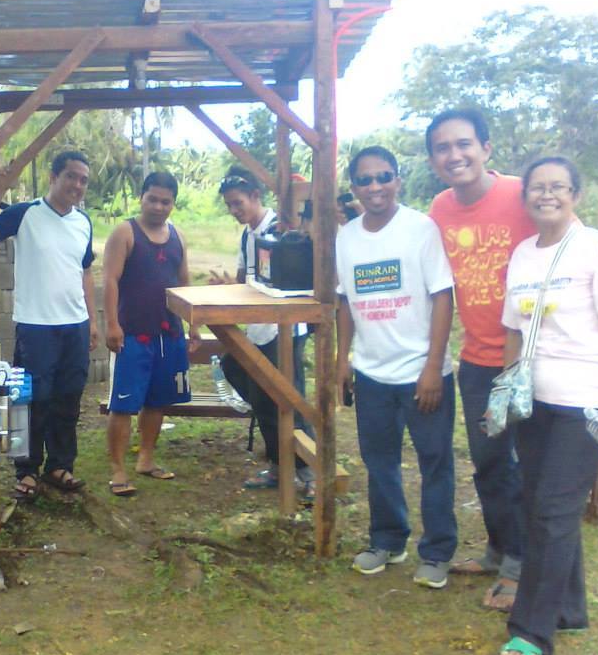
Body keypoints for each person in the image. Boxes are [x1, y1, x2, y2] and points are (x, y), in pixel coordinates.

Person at [496, 157, 598, 655]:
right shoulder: (522, 255)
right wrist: (509, 389)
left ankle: (531, 630)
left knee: (552, 514)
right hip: (535, 402)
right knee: (541, 504)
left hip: (587, 405)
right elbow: (514, 327)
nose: (547, 194)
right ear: (526, 196)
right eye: (538, 187)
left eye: (558, 186)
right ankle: (570, 609)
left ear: (576, 194)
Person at [425, 109, 534, 609]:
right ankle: (497, 549)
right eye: (443, 148)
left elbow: (573, 238)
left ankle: (520, 564)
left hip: (532, 357)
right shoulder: (439, 209)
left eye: (464, 144)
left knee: (525, 463)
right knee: (489, 463)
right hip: (476, 360)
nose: (455, 155)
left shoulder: (521, 194)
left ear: (486, 149)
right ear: (433, 160)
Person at [335, 146, 458, 589]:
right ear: (354, 188)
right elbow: (346, 301)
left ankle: (438, 551)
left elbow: (443, 296)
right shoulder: (346, 236)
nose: (375, 187)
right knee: (379, 461)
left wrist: (432, 368)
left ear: (398, 181)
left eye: (384, 176)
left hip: (423, 375)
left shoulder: (420, 229)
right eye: (365, 180)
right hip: (372, 375)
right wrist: (342, 361)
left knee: (435, 462)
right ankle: (388, 540)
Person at [0, 151, 99, 501]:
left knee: (69, 397)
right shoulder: (24, 215)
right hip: (36, 325)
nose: (77, 185)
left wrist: (93, 321)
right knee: (33, 399)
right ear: (53, 177)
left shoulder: (83, 222)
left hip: (76, 325)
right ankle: (26, 470)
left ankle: (59, 465)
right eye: (71, 176)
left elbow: (84, 271)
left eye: (83, 180)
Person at [211, 167, 316, 499]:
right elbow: (246, 280)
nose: (234, 210)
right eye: (229, 205)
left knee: (290, 399)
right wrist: (230, 287)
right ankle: (278, 462)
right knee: (254, 389)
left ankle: (308, 470)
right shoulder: (248, 234)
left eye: (238, 203)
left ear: (256, 196)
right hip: (257, 328)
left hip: (284, 328)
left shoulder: (282, 230)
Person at [102, 172, 200, 496]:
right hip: (132, 334)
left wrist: (193, 325)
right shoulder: (125, 233)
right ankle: (118, 469)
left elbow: (184, 283)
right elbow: (111, 280)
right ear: (141, 197)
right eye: (152, 199)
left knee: (157, 401)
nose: (158, 206)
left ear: (173, 203)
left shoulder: (178, 237)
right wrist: (112, 324)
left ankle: (146, 459)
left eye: (166, 201)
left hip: (168, 333)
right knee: (124, 404)